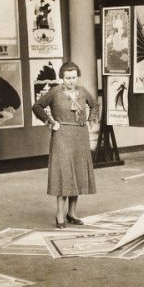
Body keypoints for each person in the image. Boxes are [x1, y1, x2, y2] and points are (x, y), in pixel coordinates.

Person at [32, 62, 99, 228]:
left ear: (77, 77)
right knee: (64, 175)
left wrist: (91, 118)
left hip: (80, 136)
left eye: (73, 77)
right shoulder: (55, 92)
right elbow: (37, 106)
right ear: (62, 78)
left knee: (77, 173)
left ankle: (72, 213)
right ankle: (60, 215)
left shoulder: (82, 91)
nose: (71, 81)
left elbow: (94, 105)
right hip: (62, 136)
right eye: (67, 78)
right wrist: (50, 121)